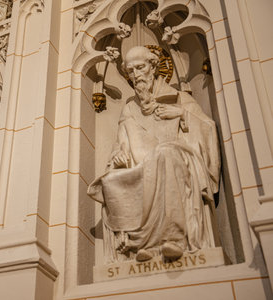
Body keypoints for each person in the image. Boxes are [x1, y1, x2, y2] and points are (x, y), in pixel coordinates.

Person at [88, 46, 220, 263]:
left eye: (140, 68)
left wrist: (181, 114)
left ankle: (173, 239)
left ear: (153, 67)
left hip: (178, 161)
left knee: (165, 154)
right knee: (110, 178)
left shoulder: (178, 98)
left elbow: (207, 129)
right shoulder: (129, 108)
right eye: (130, 71)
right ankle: (144, 245)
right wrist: (118, 156)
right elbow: (120, 144)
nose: (136, 75)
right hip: (143, 169)